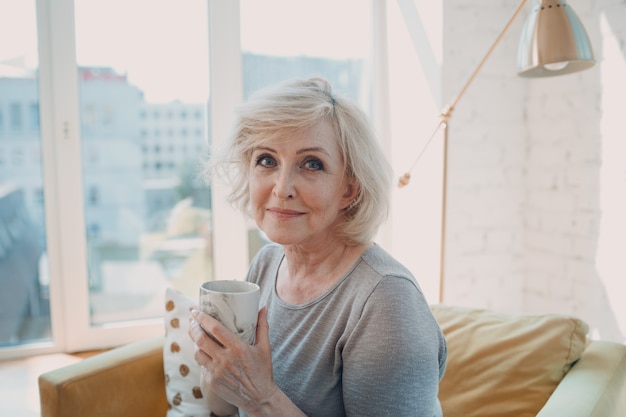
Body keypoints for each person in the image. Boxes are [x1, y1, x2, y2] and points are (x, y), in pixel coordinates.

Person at [188, 77, 447, 417]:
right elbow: (225, 410)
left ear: (348, 190)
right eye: (266, 160)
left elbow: (253, 401)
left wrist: (262, 398)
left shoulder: (386, 300)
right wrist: (216, 366)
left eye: (312, 164)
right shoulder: (266, 265)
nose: (282, 188)